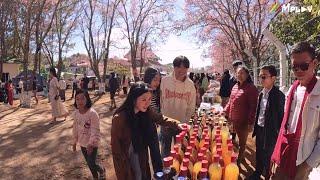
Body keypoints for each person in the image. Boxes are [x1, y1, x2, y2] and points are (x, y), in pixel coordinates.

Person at [270, 42, 320, 179]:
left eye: (303, 66)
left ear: (314, 63)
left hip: (302, 160)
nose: (298, 71)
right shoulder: (292, 89)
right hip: (283, 153)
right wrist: (276, 155)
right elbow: (284, 127)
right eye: (294, 67)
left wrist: (307, 166)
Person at [111, 82, 180, 180]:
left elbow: (160, 118)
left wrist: (177, 124)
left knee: (142, 173)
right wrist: (122, 173)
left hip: (140, 153)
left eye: (149, 99)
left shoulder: (146, 111)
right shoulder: (120, 118)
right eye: (143, 100)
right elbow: (116, 151)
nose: (147, 103)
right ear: (134, 99)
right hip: (126, 158)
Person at [248, 65, 285, 180]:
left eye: (264, 77)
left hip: (271, 132)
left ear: (273, 78)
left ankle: (268, 175)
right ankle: (258, 172)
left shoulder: (279, 96)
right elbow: (259, 112)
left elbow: (281, 117)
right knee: (258, 152)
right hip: (259, 128)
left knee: (269, 156)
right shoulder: (261, 93)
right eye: (260, 77)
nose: (261, 79)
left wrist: (277, 134)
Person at [160, 55, 196, 158]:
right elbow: (160, 99)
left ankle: (178, 171)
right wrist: (161, 118)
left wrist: (185, 122)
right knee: (165, 149)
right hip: (166, 122)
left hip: (181, 123)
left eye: (185, 67)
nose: (182, 70)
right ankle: (165, 171)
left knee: (180, 151)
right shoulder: (165, 81)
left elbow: (191, 106)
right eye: (178, 67)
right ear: (174, 67)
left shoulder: (190, 85)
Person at [223, 65, 258, 165]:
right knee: (233, 140)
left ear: (247, 74)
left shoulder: (251, 88)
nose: (239, 75)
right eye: (238, 73)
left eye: (242, 73)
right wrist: (224, 111)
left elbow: (253, 107)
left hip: (243, 121)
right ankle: (237, 156)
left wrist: (250, 123)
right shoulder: (235, 86)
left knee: (242, 143)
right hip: (232, 119)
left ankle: (239, 160)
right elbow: (230, 101)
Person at [72, 89, 106, 180]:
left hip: (92, 143)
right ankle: (95, 177)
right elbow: (75, 128)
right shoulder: (75, 113)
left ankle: (101, 170)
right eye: (77, 99)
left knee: (92, 163)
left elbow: (95, 130)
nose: (80, 101)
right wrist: (75, 141)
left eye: (82, 98)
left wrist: (91, 144)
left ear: (87, 99)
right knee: (89, 163)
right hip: (82, 143)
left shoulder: (92, 113)